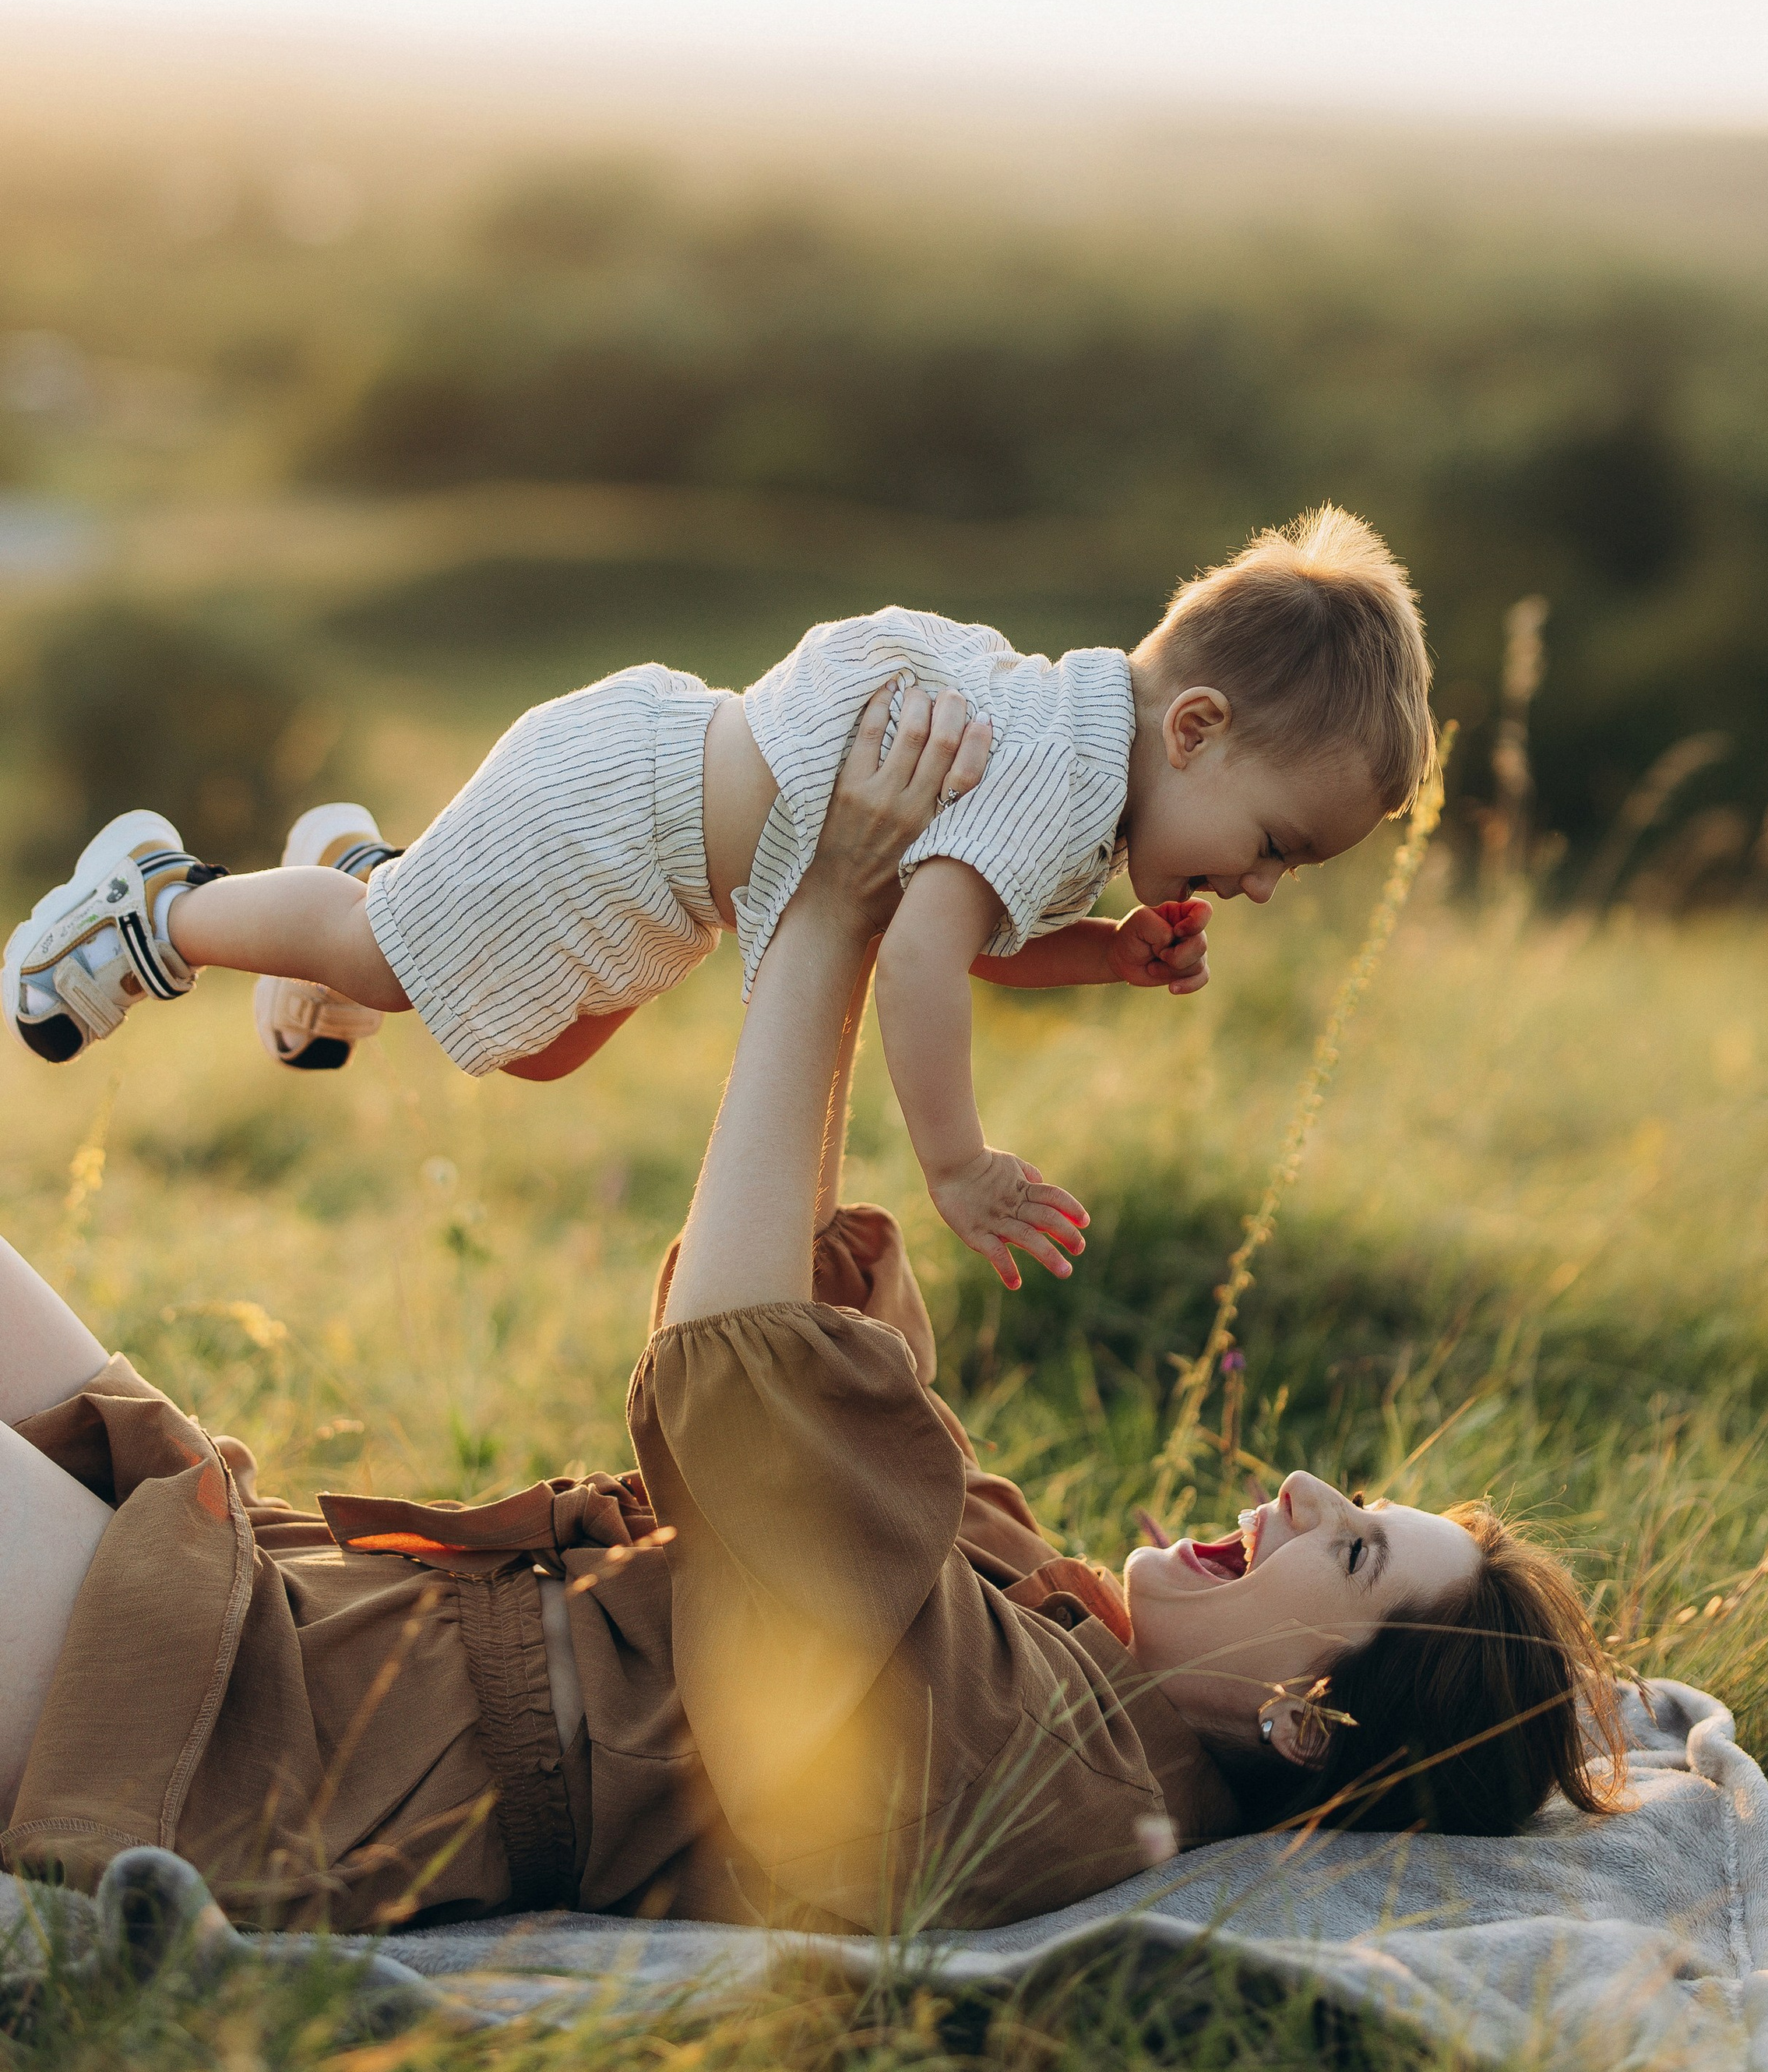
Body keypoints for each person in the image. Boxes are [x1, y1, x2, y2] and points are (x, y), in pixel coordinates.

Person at [1, 685, 1619, 1940]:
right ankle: (361, 905)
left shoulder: (1044, 1777)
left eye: (1345, 1550)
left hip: (241, 1721)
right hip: (278, 1587)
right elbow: (826, 1397)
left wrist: (833, 914)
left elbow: (734, 1373)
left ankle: (258, 910)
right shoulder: (1067, 1646)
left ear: (1307, 1720)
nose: (1298, 1495)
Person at [5, 508, 1434, 1288]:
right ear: (1194, 731)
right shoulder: (1065, 774)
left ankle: (355, 883)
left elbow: (955, 929)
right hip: (619, 813)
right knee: (389, 963)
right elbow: (922, 962)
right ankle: (152, 908)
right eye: (1278, 843)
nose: (1258, 886)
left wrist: (1102, 961)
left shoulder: (1079, 767)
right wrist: (955, 1163)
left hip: (657, 855)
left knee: (541, 1041)